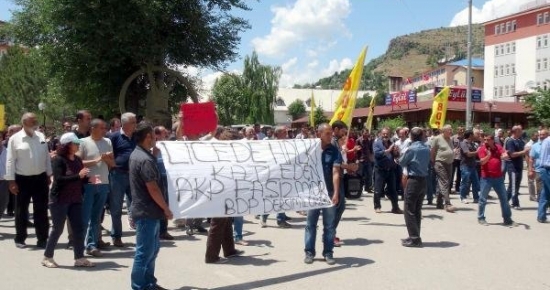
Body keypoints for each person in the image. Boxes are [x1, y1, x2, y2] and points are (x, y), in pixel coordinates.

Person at [129, 122, 173, 290]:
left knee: (152, 250)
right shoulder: (144, 159)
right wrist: (166, 208)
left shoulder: (139, 155)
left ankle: (149, 283)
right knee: (144, 252)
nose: (156, 138)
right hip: (147, 212)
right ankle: (140, 286)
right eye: (154, 135)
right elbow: (153, 188)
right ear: (148, 137)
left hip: (148, 211)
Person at [42, 132, 94, 268]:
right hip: (59, 199)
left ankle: (79, 258)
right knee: (57, 229)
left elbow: (80, 178)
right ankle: (47, 257)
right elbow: (59, 180)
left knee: (78, 228)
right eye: (75, 143)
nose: (78, 145)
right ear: (67, 145)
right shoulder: (58, 160)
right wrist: (79, 176)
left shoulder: (77, 159)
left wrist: (90, 179)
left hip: (75, 198)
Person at [6, 113, 52, 249]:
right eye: (33, 120)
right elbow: (10, 161)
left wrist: (49, 174)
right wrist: (11, 181)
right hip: (22, 179)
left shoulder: (41, 136)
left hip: (40, 178)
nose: (36, 122)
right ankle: (20, 238)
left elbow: (47, 157)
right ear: (25, 122)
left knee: (41, 209)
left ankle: (43, 238)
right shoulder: (15, 139)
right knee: (21, 210)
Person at [205, 129, 245, 263]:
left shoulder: (227, 154)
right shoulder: (220, 155)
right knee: (218, 223)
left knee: (226, 221)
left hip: (227, 191)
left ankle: (229, 250)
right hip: (220, 192)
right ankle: (211, 256)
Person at [304, 123, 341, 265]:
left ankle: (328, 252)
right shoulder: (310, 149)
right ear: (319, 134)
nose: (330, 135)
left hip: (329, 193)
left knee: (329, 225)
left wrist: (336, 193)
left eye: (331, 133)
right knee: (310, 224)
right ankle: (309, 252)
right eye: (327, 133)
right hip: (313, 193)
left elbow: (336, 172)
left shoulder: (334, 151)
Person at [78, 119, 115, 256]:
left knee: (97, 216)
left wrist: (107, 160)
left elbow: (113, 163)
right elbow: (78, 163)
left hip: (103, 182)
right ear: (93, 128)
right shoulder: (83, 142)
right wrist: (97, 160)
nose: (104, 130)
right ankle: (78, 245)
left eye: (105, 128)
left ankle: (91, 244)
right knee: (85, 215)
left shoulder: (108, 142)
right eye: (102, 128)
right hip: (89, 183)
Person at [108, 112, 137, 247]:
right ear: (125, 124)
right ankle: (116, 236)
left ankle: (139, 232)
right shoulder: (113, 137)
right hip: (117, 175)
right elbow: (108, 155)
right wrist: (112, 164)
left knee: (137, 205)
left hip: (134, 176)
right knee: (116, 208)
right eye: (133, 122)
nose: (135, 124)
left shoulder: (137, 137)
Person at [399, 127, 430, 247]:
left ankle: (414, 238)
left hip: (413, 180)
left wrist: (398, 155)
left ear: (411, 137)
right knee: (417, 209)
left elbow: (402, 162)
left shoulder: (411, 149)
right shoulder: (426, 147)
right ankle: (415, 235)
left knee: (409, 209)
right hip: (423, 180)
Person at [477, 134, 515, 226]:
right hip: (486, 177)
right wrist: (489, 155)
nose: (486, 141)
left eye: (488, 139)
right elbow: (482, 162)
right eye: (485, 139)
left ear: (493, 140)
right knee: (483, 199)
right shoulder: (482, 149)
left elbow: (504, 153)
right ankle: (481, 218)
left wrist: (505, 155)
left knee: (504, 198)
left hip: (498, 177)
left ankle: (507, 219)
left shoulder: (498, 147)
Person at [430, 124, 456, 213]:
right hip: (440, 162)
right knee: (444, 182)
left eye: (451, 130)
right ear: (443, 131)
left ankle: (439, 202)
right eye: (449, 130)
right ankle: (447, 203)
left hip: (449, 163)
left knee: (445, 183)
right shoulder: (437, 138)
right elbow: (432, 151)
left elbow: (450, 150)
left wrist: (453, 153)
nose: (451, 131)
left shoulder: (450, 139)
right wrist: (433, 162)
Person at [505, 125, 527, 209]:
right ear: (516, 131)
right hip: (512, 166)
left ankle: (505, 201)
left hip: (519, 166)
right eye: (520, 130)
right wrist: (524, 152)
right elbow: (512, 154)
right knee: (513, 185)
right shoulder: (510, 141)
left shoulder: (520, 141)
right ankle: (515, 203)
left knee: (516, 185)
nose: (522, 132)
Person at [459, 130, 480, 204]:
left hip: (473, 165)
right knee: (465, 182)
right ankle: (463, 197)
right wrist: (477, 152)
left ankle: (476, 197)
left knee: (475, 182)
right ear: (470, 135)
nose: (474, 136)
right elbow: (468, 154)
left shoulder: (473, 143)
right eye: (473, 134)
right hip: (466, 166)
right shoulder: (464, 143)